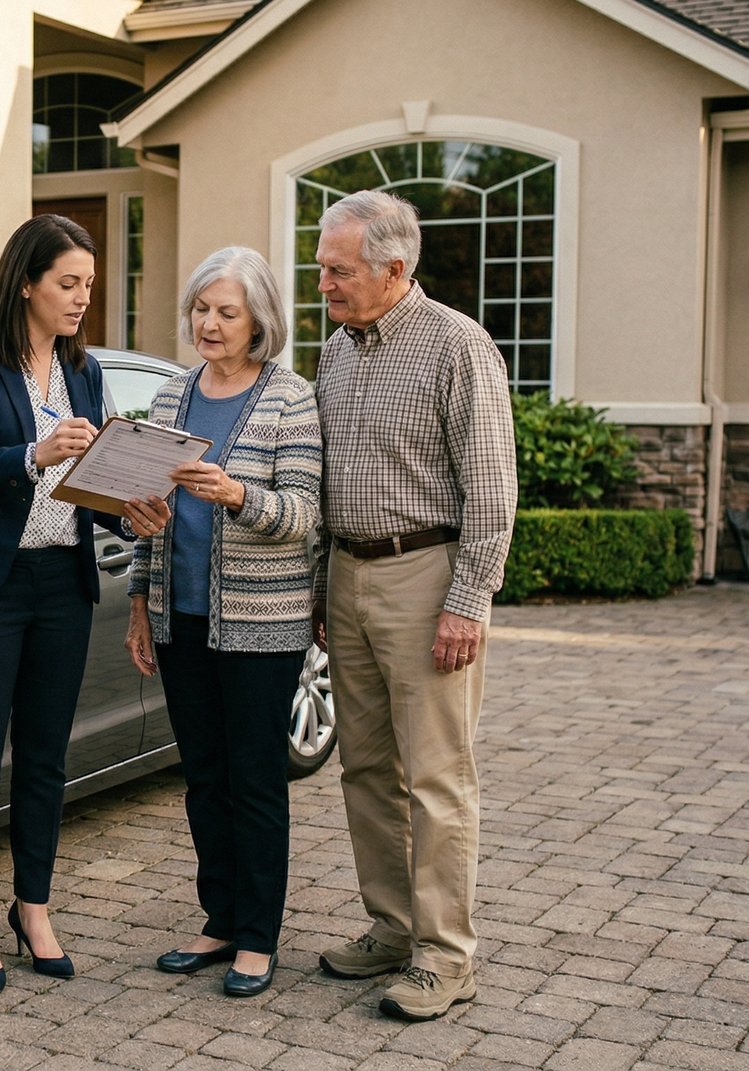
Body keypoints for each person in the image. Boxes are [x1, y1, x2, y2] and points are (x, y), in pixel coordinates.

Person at [0, 214, 170, 993]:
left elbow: (85, 484)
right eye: (68, 283)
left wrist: (127, 506)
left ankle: (34, 908)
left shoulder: (84, 371)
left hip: (63, 583)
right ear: (26, 280)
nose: (81, 298)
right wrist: (33, 453)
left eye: (89, 286)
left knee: (46, 760)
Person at [309, 190, 517, 1021]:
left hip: (426, 578)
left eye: (338, 269)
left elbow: (493, 492)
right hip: (348, 577)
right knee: (364, 768)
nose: (323, 282)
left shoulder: (458, 346)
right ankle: (392, 929)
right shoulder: (336, 349)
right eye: (322, 267)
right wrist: (326, 583)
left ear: (395, 268)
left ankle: (445, 956)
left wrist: (467, 602)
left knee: (437, 776)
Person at [122, 247, 321, 998]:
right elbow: (150, 513)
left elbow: (303, 514)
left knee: (256, 781)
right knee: (204, 778)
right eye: (201, 308)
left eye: (226, 311)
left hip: (263, 625)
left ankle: (259, 938)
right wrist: (142, 602)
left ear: (258, 319)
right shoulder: (172, 398)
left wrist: (239, 494)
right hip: (183, 620)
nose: (209, 323)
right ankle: (220, 918)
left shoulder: (290, 398)